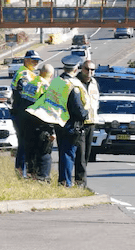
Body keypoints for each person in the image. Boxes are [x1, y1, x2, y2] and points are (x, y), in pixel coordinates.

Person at [50, 57, 88, 186]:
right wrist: (85, 114)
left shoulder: (56, 82)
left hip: (58, 122)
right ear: (76, 69)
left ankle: (63, 180)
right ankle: (65, 182)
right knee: (69, 154)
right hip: (71, 124)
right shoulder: (72, 84)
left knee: (63, 153)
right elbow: (77, 107)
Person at [10, 50, 43, 177]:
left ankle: (25, 172)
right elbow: (23, 97)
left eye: (37, 61)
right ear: (26, 60)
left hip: (22, 113)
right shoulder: (24, 74)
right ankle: (21, 173)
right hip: (22, 114)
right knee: (24, 144)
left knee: (26, 144)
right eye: (33, 60)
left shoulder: (29, 73)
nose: (35, 63)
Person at [22, 64, 55, 181]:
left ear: (40, 72)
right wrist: (52, 131)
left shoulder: (29, 85)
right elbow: (49, 111)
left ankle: (31, 176)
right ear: (51, 75)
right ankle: (43, 178)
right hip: (42, 127)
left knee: (30, 153)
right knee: (44, 154)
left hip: (27, 125)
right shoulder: (47, 88)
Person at [74, 59, 100, 188]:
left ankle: (81, 180)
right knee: (80, 153)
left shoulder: (95, 83)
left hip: (91, 122)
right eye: (87, 69)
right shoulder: (75, 82)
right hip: (79, 122)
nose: (89, 72)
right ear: (81, 69)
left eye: (92, 70)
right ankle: (80, 182)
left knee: (87, 154)